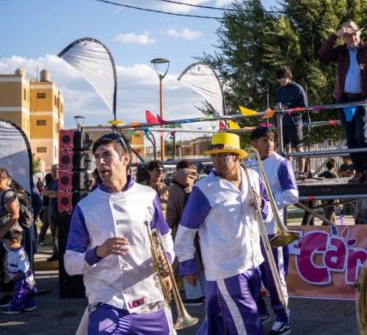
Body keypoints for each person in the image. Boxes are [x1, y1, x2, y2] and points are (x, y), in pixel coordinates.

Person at [64, 133, 175, 334]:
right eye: (97, 157)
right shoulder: (85, 207)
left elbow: (165, 236)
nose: (100, 162)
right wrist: (98, 252)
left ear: (126, 159)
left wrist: (166, 259)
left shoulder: (148, 196)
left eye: (107, 155)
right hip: (107, 300)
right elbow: (70, 263)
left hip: (148, 296)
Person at [174, 132, 270, 335]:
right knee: (248, 324)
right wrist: (188, 266)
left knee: (218, 324)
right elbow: (185, 231)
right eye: (214, 155)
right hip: (226, 270)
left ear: (236, 156)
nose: (217, 160)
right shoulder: (204, 189)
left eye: (224, 155)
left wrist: (262, 205)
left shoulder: (253, 177)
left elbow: (268, 214)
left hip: (252, 262)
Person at [247, 126, 297, 335]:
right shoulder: (247, 165)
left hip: (273, 230)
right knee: (251, 274)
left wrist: (266, 202)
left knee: (275, 278)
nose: (269, 144)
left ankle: (283, 318)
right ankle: (259, 310)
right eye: (263, 141)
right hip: (251, 230)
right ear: (254, 144)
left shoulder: (281, 163)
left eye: (270, 140)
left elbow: (293, 194)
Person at [319, 20, 367, 183]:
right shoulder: (340, 51)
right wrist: (335, 34)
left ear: (359, 34)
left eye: (353, 34)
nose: (351, 37)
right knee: (351, 137)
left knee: (362, 135)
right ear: (343, 38)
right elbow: (323, 53)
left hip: (363, 98)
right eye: (347, 35)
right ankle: (358, 171)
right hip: (344, 99)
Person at [164, 159, 204, 307]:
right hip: (199, 231)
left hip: (182, 230)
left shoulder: (174, 189)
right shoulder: (196, 185)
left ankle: (194, 295)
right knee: (201, 261)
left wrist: (167, 227)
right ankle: (204, 292)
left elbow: (171, 213)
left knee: (186, 260)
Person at [275, 66, 309, 178]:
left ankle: (301, 172)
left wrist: (291, 110)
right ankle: (288, 171)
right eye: (279, 79)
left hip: (295, 122)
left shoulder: (297, 89)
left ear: (289, 77)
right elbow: (276, 105)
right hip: (282, 122)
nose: (282, 80)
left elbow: (304, 107)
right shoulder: (279, 90)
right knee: (285, 148)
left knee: (298, 146)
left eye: (284, 78)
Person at [0, 168, 21, 308]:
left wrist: (2, 231)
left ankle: (10, 296)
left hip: (10, 235)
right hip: (5, 235)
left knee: (8, 265)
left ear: (6, 179)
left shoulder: (8, 194)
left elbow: (15, 215)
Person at [2, 230, 36, 314]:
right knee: (26, 292)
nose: (6, 244)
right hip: (17, 277)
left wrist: (18, 274)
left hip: (22, 278)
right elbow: (3, 245)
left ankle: (15, 308)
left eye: (7, 242)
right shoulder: (10, 248)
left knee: (19, 293)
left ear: (14, 242)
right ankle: (30, 305)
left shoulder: (21, 254)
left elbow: (23, 265)